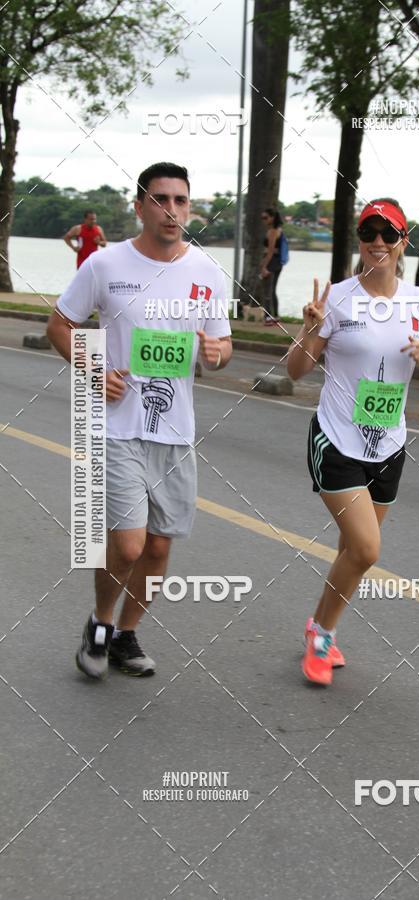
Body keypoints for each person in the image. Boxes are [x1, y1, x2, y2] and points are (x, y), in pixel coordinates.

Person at [47, 161, 233, 679]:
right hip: (117, 426)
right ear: (140, 206)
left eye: (180, 200)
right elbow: (60, 324)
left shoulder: (206, 272)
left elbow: (220, 350)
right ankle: (100, 622)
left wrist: (219, 352)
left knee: (157, 546)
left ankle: (127, 635)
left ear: (189, 208)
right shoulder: (105, 265)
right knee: (128, 543)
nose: (171, 209)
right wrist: (91, 368)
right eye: (160, 199)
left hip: (175, 430)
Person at [287, 197, 419, 686]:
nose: (377, 243)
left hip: (388, 446)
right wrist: (308, 330)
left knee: (350, 550)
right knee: (365, 550)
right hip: (336, 440)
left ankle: (319, 626)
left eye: (389, 234)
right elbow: (296, 372)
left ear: (405, 242)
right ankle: (321, 636)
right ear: (360, 240)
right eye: (368, 233)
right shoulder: (337, 298)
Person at [260, 207, 284, 325]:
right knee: (272, 290)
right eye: (262, 218)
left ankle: (268, 317)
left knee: (267, 290)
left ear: (272, 218)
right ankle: (275, 315)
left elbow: (270, 251)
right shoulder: (278, 230)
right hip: (277, 262)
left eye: (265, 217)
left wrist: (264, 266)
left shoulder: (273, 231)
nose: (263, 220)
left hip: (272, 262)